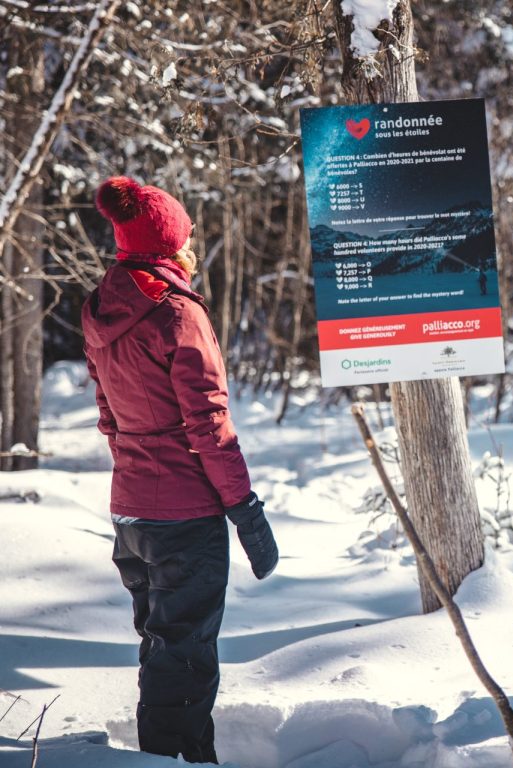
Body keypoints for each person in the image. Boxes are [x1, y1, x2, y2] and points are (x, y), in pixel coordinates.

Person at [82, 176, 279, 764]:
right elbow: (208, 425)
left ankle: (184, 757)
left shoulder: (100, 308)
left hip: (132, 512)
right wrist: (246, 511)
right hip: (184, 518)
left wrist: (140, 482)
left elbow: (110, 417)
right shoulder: (176, 314)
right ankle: (170, 761)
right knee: (185, 660)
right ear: (172, 244)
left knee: (166, 652)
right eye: (187, 234)